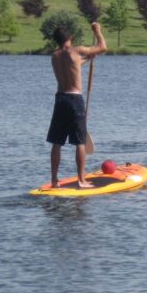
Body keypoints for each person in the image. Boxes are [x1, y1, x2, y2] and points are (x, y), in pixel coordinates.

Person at [47, 21, 107, 188]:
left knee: (57, 142)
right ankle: (81, 180)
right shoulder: (76, 51)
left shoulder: (55, 56)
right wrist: (97, 31)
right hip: (74, 100)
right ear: (70, 38)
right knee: (79, 141)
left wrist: (88, 59)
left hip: (60, 100)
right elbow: (103, 47)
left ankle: (54, 181)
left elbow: (73, 66)